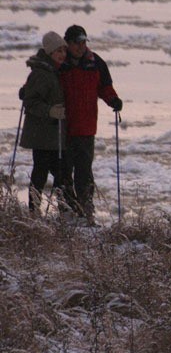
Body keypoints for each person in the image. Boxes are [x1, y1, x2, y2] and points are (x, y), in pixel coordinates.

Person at [60, 25, 123, 225]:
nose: (81, 47)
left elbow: (105, 87)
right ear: (67, 44)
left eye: (83, 42)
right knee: (63, 172)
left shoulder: (96, 63)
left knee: (84, 174)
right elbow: (43, 81)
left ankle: (86, 213)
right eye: (77, 43)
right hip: (62, 128)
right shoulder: (60, 62)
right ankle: (67, 213)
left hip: (86, 129)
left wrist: (113, 100)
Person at [19, 31, 68, 215]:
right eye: (58, 51)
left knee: (60, 174)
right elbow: (30, 102)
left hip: (53, 135)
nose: (62, 54)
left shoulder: (55, 70)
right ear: (49, 52)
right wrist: (50, 111)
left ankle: (63, 210)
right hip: (41, 134)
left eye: (63, 50)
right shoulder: (42, 73)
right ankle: (34, 211)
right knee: (41, 173)